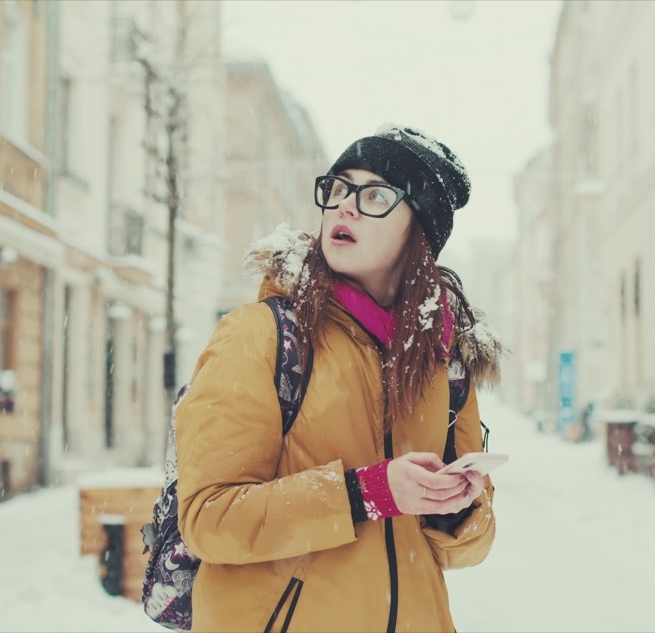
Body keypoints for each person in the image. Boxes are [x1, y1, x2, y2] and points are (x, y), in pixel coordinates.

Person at [173, 123, 503, 632]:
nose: (345, 206)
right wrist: (365, 493)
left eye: (374, 195)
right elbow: (207, 519)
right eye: (339, 188)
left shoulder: (443, 359)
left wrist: (453, 509)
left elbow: (470, 545)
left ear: (419, 229)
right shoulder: (263, 335)